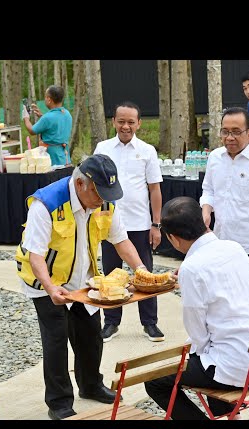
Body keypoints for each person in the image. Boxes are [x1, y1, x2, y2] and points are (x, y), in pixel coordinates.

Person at [15, 154, 147, 420]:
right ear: (80, 185)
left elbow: (120, 240)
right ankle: (59, 402)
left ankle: (90, 385)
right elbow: (35, 255)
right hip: (45, 282)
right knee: (56, 340)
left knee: (90, 336)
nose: (103, 200)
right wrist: (51, 288)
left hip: (83, 280)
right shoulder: (47, 203)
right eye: (99, 193)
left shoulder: (104, 203)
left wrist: (141, 270)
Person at [144, 197, 249, 420]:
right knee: (208, 360)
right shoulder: (234, 247)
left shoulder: (191, 268)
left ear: (173, 239)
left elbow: (197, 332)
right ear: (204, 222)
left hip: (239, 367)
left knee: (156, 381)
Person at [93, 101, 164, 342]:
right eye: (121, 121)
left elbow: (154, 189)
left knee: (145, 275)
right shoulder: (102, 147)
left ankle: (150, 323)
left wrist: (156, 224)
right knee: (111, 275)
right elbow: (95, 185)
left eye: (131, 122)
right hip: (109, 222)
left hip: (139, 224)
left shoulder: (147, 150)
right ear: (113, 121)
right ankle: (111, 323)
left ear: (139, 124)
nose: (126, 126)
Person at [199, 107, 249, 294]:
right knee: (221, 297)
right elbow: (208, 189)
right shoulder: (214, 158)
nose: (230, 137)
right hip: (220, 240)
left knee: (248, 300)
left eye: (236, 132)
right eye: (225, 132)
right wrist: (206, 210)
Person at [21, 85, 72, 166]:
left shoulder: (47, 117)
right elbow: (55, 125)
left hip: (52, 160)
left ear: (49, 99)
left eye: (45, 97)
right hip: (65, 158)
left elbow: (32, 130)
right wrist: (42, 116)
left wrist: (26, 118)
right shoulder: (66, 113)